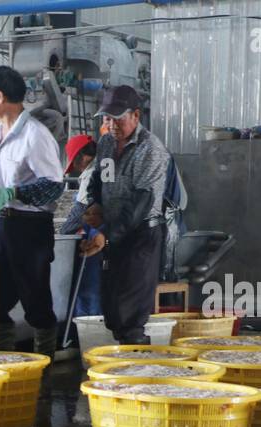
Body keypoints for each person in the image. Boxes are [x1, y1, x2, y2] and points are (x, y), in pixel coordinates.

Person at [0, 65, 66, 356]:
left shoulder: (34, 134)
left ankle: (44, 370)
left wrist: (15, 193)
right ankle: (4, 364)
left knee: (36, 304)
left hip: (31, 228)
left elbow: (54, 186)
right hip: (3, 227)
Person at [81, 85, 171, 345]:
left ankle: (141, 376)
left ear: (136, 116)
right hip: (113, 233)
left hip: (141, 236)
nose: (112, 124)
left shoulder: (151, 149)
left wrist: (105, 236)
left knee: (130, 316)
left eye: (118, 117)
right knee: (112, 313)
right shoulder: (106, 143)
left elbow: (140, 204)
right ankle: (127, 373)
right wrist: (95, 203)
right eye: (107, 118)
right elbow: (98, 178)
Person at [60, 134, 102, 326]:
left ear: (83, 157)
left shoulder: (91, 174)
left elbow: (78, 214)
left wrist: (62, 235)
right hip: (108, 237)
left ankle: (85, 335)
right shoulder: (107, 166)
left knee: (88, 289)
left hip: (96, 239)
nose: (76, 168)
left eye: (76, 163)